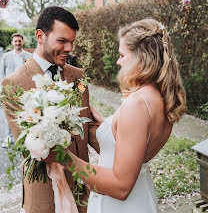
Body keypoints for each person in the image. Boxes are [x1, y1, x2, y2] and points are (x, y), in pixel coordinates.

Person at [45, 18, 187, 213]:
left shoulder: (137, 104)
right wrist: (108, 125)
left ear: (141, 57)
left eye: (122, 54)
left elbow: (120, 187)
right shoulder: (161, 97)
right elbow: (137, 143)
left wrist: (65, 157)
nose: (118, 61)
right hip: (142, 196)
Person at [2, 6, 99, 213]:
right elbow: (30, 145)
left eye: (72, 42)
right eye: (62, 41)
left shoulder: (79, 76)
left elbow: (87, 129)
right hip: (44, 191)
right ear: (40, 36)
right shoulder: (13, 84)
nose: (69, 48)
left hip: (82, 189)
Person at [0, 33, 31, 147]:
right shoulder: (6, 56)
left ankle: (23, 138)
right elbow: (2, 73)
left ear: (22, 42)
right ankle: (8, 137)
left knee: (24, 113)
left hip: (23, 89)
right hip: (9, 88)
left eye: (19, 41)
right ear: (12, 42)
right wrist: (2, 88)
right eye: (15, 41)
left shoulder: (28, 56)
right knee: (9, 113)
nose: (17, 43)